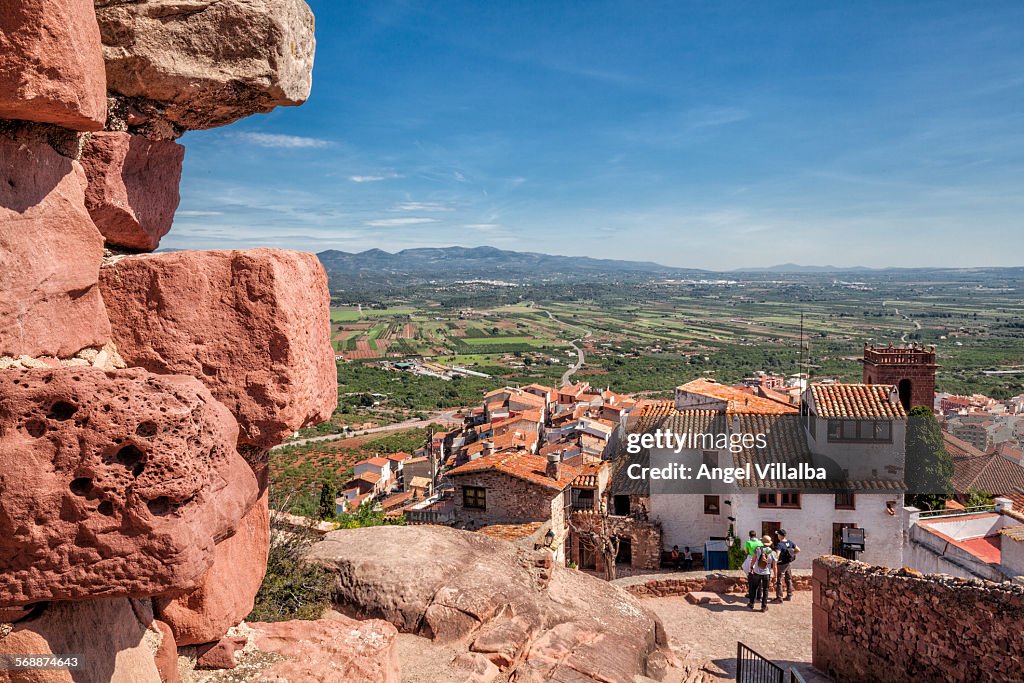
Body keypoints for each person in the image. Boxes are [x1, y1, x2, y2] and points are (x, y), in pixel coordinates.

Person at [747, 535, 777, 612]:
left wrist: (751, 567)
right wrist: (775, 576)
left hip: (757, 572)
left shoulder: (757, 549)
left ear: (762, 542)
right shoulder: (773, 552)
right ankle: (764, 607)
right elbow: (774, 566)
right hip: (766, 573)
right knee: (765, 590)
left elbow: (753, 560)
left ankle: (751, 604)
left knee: (754, 588)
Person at [773, 529, 800, 602]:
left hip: (781, 564)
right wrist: (791, 554)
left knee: (779, 581)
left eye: (778, 534)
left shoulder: (780, 544)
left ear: (780, 535)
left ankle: (779, 598)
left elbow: (777, 555)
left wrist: (774, 561)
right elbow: (798, 550)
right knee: (788, 579)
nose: (777, 536)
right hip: (788, 563)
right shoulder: (790, 542)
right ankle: (789, 595)